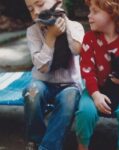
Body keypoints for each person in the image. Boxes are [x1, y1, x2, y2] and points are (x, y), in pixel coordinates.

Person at [75, 0, 119, 150]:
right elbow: (87, 71)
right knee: (85, 112)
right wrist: (95, 95)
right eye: (90, 11)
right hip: (94, 92)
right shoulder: (90, 39)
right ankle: (82, 146)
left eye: (95, 11)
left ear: (114, 13)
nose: (89, 16)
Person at [23, 0, 84, 150]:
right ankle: (36, 138)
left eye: (40, 4)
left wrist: (64, 21)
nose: (36, 12)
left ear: (58, 2)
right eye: (31, 9)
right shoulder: (33, 31)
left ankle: (48, 146)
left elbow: (77, 49)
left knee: (69, 99)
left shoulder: (75, 26)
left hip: (69, 85)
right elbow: (42, 67)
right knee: (32, 92)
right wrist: (50, 37)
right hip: (43, 82)